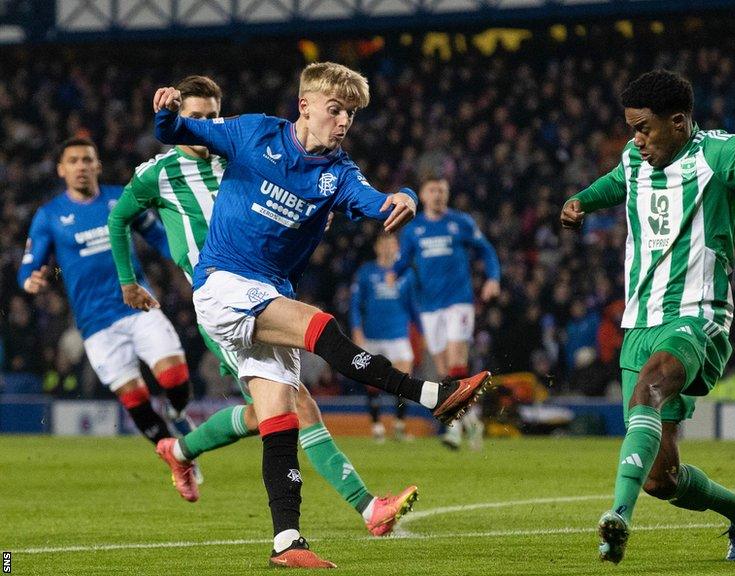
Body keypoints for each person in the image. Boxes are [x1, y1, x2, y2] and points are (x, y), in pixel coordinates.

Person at [152, 62, 491, 568]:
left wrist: (407, 196)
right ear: (304, 106)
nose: (343, 122)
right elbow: (178, 130)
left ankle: (285, 541)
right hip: (222, 285)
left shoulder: (338, 174)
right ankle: (430, 395)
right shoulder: (253, 132)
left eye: (350, 115)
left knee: (279, 419)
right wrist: (164, 112)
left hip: (267, 291)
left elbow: (378, 203)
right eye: (335, 110)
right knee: (319, 327)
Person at [109, 75, 418, 537]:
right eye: (197, 118)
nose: (207, 125)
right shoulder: (159, 172)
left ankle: (179, 451)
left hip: (263, 291)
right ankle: (368, 507)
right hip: (223, 300)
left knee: (268, 413)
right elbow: (119, 218)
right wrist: (129, 281)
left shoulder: (239, 153)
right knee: (298, 405)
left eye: (213, 116)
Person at [560, 69, 735, 564]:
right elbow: (616, 182)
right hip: (639, 323)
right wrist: (581, 200)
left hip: (697, 317)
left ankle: (616, 518)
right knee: (660, 477)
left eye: (644, 128)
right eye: (631, 128)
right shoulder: (634, 157)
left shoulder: (717, 154)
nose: (636, 139)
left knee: (649, 387)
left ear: (680, 121)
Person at [18, 137, 195, 450]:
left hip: (138, 306)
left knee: (175, 379)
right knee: (136, 401)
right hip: (95, 323)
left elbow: (158, 236)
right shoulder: (50, 215)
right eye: (73, 161)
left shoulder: (121, 199)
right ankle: (176, 457)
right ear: (61, 170)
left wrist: (191, 260)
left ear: (97, 165)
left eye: (87, 160)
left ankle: (176, 409)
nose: (81, 167)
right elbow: (30, 264)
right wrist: (29, 280)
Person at [395, 174, 500, 450]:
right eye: (433, 190)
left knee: (456, 363)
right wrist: (391, 275)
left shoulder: (460, 222)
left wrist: (492, 278)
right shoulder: (413, 230)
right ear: (423, 195)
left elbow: (486, 250)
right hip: (429, 307)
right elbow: (403, 262)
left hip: (459, 302)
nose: (439, 195)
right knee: (445, 372)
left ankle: (453, 427)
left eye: (443, 190)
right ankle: (473, 420)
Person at [351, 233, 419, 442]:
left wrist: (422, 331)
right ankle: (377, 426)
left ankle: (399, 425)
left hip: (398, 334)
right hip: (372, 335)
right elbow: (355, 304)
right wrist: (356, 330)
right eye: (385, 243)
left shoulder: (406, 274)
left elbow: (413, 305)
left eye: (393, 244)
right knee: (372, 382)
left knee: (404, 381)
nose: (389, 248)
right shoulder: (366, 272)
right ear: (377, 247)